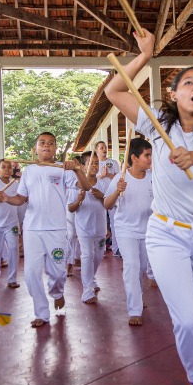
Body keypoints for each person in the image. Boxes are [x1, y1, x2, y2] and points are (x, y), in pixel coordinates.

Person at [104, 29, 193, 385]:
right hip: (165, 235)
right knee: (190, 318)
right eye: (188, 83)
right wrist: (144, 55)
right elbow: (115, 91)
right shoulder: (154, 127)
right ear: (176, 94)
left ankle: (185, 315)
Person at [0, 132, 90, 327]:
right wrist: (6, 199)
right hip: (32, 229)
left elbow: (85, 186)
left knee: (58, 273)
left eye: (51, 143)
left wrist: (77, 169)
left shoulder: (63, 170)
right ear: (35, 148)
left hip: (56, 229)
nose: (46, 146)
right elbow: (21, 198)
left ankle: (57, 292)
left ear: (56, 148)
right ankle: (41, 313)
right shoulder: (28, 172)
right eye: (42, 143)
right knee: (31, 273)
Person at [104, 138, 153, 325]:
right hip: (125, 230)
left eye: (150, 155)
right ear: (134, 157)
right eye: (146, 155)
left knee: (140, 268)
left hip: (147, 231)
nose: (150, 159)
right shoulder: (121, 178)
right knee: (132, 265)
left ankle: (138, 296)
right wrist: (116, 191)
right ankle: (134, 310)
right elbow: (106, 204)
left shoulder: (152, 178)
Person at [69, 151, 109, 304]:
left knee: (99, 255)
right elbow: (71, 209)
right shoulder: (76, 185)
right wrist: (78, 201)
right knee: (87, 256)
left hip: (99, 227)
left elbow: (111, 204)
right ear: (83, 167)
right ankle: (87, 291)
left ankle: (91, 278)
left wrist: (102, 196)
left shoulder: (104, 183)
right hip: (83, 227)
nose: (94, 166)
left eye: (97, 163)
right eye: (91, 163)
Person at [0, 159, 21, 289]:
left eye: (9, 167)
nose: (7, 170)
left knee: (14, 249)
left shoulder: (16, 184)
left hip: (11, 223)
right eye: (4, 167)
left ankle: (12, 279)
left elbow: (20, 199)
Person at [95, 140, 121, 257]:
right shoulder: (94, 163)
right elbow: (90, 179)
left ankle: (116, 248)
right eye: (101, 148)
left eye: (105, 147)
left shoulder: (113, 163)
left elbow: (118, 177)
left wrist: (108, 175)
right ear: (96, 150)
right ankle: (98, 248)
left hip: (110, 197)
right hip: (97, 197)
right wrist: (101, 175)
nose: (104, 150)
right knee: (99, 224)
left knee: (114, 223)